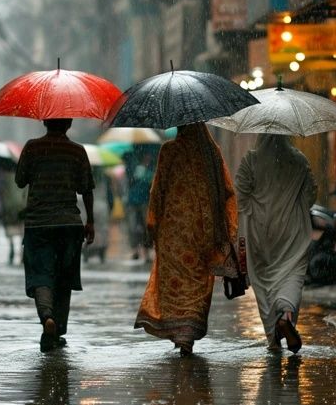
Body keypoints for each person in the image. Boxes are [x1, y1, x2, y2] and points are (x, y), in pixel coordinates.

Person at [134, 122, 238, 356]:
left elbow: (158, 189)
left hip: (173, 233)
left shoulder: (169, 150)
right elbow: (227, 191)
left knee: (175, 280)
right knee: (197, 280)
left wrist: (152, 222)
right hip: (203, 232)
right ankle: (188, 331)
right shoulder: (212, 153)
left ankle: (179, 329)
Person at [15, 118, 95, 352]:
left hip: (38, 224)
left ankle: (47, 318)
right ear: (69, 124)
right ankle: (57, 330)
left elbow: (20, 181)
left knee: (41, 275)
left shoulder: (32, 147)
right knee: (63, 278)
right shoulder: (77, 151)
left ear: (44, 121)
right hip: (69, 224)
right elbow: (87, 188)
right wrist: (90, 221)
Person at [235, 134, 317, 354]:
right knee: (292, 274)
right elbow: (311, 195)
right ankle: (286, 314)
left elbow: (240, 195)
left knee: (264, 282)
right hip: (293, 232)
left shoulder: (251, 160)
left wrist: (257, 210)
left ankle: (273, 336)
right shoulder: (299, 160)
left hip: (260, 232)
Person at [125, 149, 154, 261]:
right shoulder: (134, 168)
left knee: (144, 227)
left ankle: (144, 252)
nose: (148, 159)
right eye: (147, 157)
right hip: (136, 201)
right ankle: (136, 251)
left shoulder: (147, 171)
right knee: (135, 227)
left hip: (141, 201)